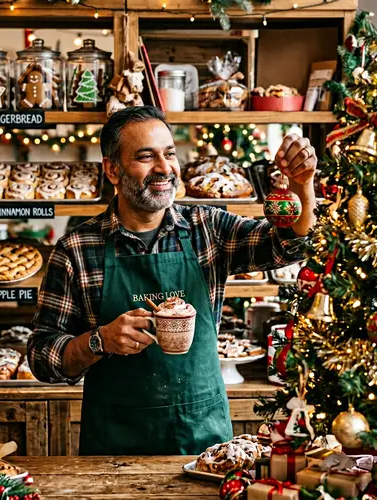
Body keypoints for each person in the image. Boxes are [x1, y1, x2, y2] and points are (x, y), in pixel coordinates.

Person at [28, 105, 317, 456]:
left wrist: (303, 186)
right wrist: (99, 340)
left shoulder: (208, 229)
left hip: (205, 446)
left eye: (169, 154)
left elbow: (288, 245)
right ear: (113, 170)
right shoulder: (76, 249)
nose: (165, 169)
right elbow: (42, 357)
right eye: (146, 157)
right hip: (115, 451)